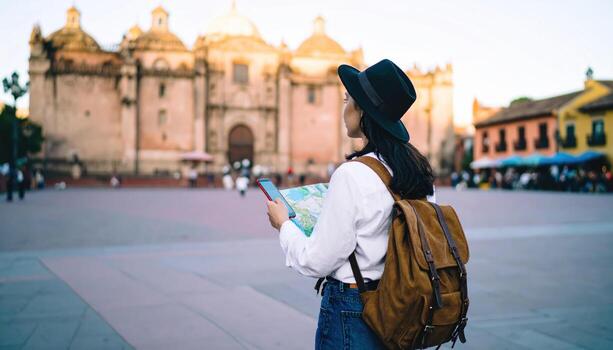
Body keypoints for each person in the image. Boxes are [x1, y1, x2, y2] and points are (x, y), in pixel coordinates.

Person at [266, 59, 435, 349]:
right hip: (405, 304)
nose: (344, 108)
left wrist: (284, 225)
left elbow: (315, 260)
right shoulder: (419, 171)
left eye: (347, 100)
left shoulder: (352, 174)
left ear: (362, 112)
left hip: (356, 309)